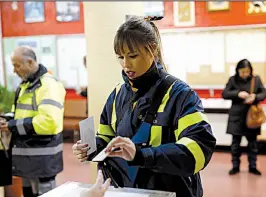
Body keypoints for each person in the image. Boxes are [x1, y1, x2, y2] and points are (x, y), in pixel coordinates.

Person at [72, 16, 216, 197]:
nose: (126, 64)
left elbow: (199, 150)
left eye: (133, 56)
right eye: (120, 57)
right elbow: (106, 138)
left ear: (152, 50)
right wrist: (90, 149)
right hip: (126, 191)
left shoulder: (180, 94)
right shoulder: (117, 95)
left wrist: (142, 155)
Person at [0, 46, 66, 197]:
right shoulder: (26, 85)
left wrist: (12, 126)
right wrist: (6, 119)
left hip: (42, 161)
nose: (14, 70)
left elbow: (48, 122)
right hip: (27, 160)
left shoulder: (49, 85)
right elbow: (20, 113)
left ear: (29, 62)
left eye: (17, 65)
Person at [222, 59, 266, 176]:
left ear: (250, 71)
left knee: (253, 144)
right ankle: (235, 166)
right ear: (238, 71)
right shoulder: (232, 79)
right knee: (235, 144)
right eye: (242, 72)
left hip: (252, 117)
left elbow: (264, 93)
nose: (245, 74)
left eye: (247, 71)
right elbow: (225, 94)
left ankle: (253, 166)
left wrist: (255, 96)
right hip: (236, 116)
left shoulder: (256, 80)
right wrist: (238, 93)